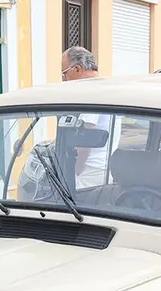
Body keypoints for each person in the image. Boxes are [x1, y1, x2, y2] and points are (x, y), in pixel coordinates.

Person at [60, 46, 109, 189]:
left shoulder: (91, 92)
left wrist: (77, 169)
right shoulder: (106, 87)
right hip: (102, 167)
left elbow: (86, 137)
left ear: (77, 69)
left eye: (64, 74)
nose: (64, 80)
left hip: (90, 169)